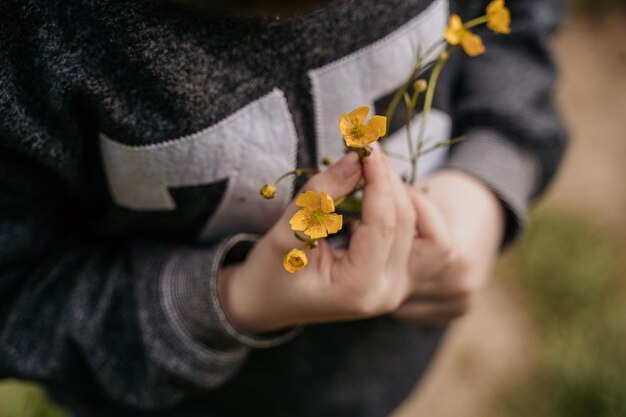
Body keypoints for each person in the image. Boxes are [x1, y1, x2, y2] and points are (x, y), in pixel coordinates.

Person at [0, 0, 567, 416]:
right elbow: (18, 301)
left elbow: (517, 21)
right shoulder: (30, 35)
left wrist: (486, 180)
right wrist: (233, 300)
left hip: (384, 379)